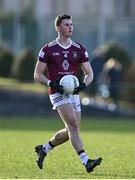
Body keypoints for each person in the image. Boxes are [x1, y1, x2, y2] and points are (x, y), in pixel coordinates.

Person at [34, 14, 102, 173]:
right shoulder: (48, 49)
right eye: (66, 24)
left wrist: (83, 85)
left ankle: (44, 148)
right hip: (56, 92)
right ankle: (86, 161)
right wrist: (52, 83)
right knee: (72, 124)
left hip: (73, 92)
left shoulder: (78, 49)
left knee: (73, 130)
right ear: (58, 27)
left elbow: (89, 73)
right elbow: (37, 74)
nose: (70, 27)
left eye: (71, 24)